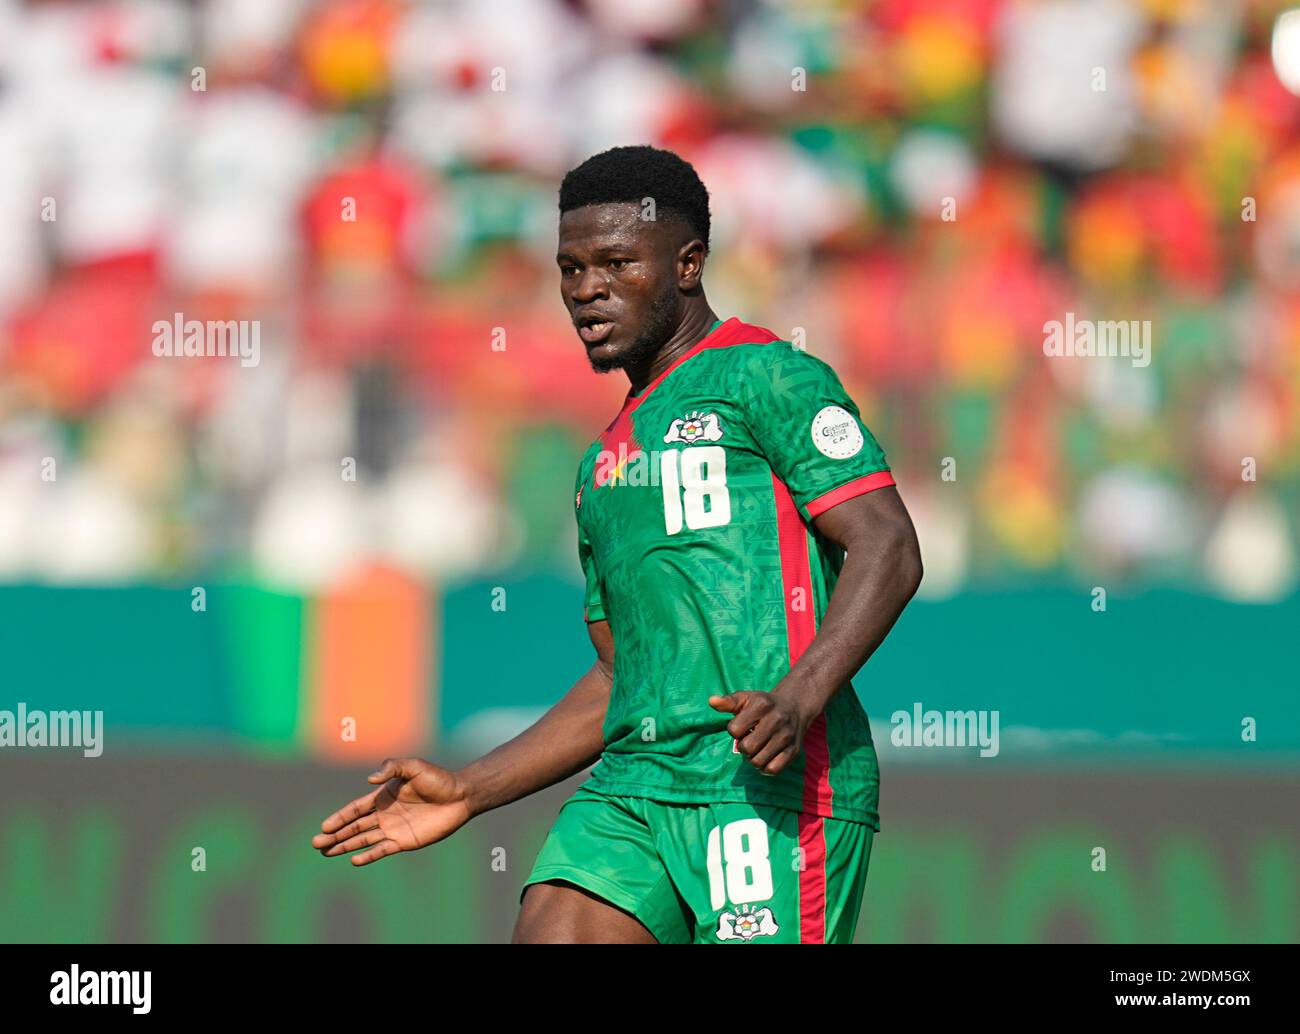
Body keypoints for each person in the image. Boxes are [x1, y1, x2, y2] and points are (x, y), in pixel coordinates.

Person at [312, 145, 923, 944]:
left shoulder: (768, 376)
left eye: (615, 263)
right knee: (555, 928)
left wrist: (800, 695)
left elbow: (888, 544)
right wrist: (470, 788)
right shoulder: (604, 461)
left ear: (688, 264)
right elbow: (617, 676)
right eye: (570, 269)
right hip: (636, 783)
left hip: (770, 785)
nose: (586, 290)